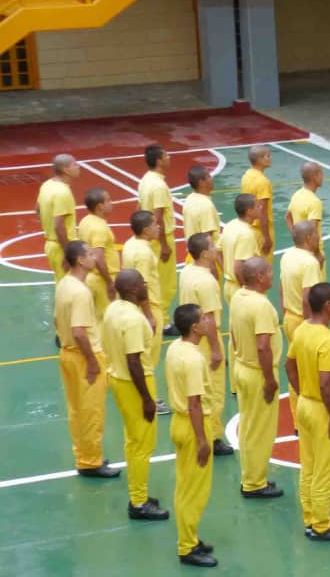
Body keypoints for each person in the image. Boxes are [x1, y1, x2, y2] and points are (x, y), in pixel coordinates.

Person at [286, 283, 330, 541]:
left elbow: (289, 365)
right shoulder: (329, 341)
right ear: (327, 305)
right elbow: (326, 383)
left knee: (309, 465)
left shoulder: (302, 330)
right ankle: (322, 525)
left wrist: (302, 391)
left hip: (304, 405)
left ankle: (311, 517)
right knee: (326, 468)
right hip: (323, 409)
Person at [102, 269, 168, 520]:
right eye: (142, 282)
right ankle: (139, 503)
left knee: (132, 441)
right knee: (143, 445)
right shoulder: (132, 320)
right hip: (134, 384)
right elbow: (134, 362)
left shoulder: (113, 309)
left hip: (117, 379)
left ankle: (137, 493)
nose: (145, 285)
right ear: (132, 290)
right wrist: (148, 399)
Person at [55, 241, 115, 478]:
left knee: (77, 410)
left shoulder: (64, 284)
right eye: (90, 254)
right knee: (91, 411)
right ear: (80, 260)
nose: (95, 257)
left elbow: (58, 322)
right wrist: (91, 361)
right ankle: (91, 461)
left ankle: (85, 454)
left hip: (68, 354)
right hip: (83, 355)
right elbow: (80, 331)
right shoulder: (80, 292)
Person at [165, 303, 218, 568]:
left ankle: (191, 538)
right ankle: (187, 547)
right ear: (195, 327)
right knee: (194, 490)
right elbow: (195, 403)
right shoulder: (195, 360)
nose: (210, 321)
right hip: (193, 425)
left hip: (178, 422)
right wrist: (202, 441)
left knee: (185, 485)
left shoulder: (175, 348)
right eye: (204, 318)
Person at [230, 257, 284, 500]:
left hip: (242, 366)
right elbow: (263, 346)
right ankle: (254, 483)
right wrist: (270, 379)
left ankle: (251, 475)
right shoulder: (261, 306)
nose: (272, 276)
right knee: (259, 430)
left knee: (249, 426)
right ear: (260, 277)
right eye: (269, 272)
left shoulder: (238, 297)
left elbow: (232, 333)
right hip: (258, 372)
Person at [178, 232, 233, 456]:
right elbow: (208, 318)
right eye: (212, 246)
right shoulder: (207, 281)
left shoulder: (187, 271)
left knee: (198, 386)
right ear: (204, 253)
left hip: (191, 336)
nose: (216, 248)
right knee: (213, 389)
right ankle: (212, 435)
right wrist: (217, 350)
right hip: (206, 338)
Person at [122, 210, 169, 416]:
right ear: (146, 229)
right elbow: (142, 285)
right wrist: (149, 314)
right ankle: (149, 397)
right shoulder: (143, 253)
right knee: (149, 356)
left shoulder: (131, 244)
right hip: (148, 306)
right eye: (155, 224)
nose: (159, 227)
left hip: (135, 307)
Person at [280, 220, 323, 424]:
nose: (319, 237)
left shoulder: (288, 256)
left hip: (290, 317)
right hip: (303, 321)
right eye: (316, 234)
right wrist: (311, 326)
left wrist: (285, 310)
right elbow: (308, 297)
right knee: (311, 372)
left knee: (296, 368)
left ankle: (298, 419)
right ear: (308, 238)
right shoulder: (309, 263)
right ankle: (312, 417)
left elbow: (281, 287)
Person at [137, 145, 177, 324]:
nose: (169, 158)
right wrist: (164, 244)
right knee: (165, 283)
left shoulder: (145, 179)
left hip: (148, 236)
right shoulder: (159, 186)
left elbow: (138, 207)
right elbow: (158, 218)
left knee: (152, 278)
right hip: (161, 237)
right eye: (166, 155)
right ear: (159, 161)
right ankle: (164, 320)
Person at [37, 154, 79, 281]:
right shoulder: (63, 192)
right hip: (62, 247)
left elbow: (38, 209)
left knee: (62, 283)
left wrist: (47, 226)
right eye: (75, 165)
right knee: (68, 286)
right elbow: (58, 226)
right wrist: (68, 254)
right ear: (66, 170)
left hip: (52, 245)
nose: (78, 167)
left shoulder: (47, 185)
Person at [77, 189, 118, 322]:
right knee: (106, 318)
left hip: (92, 277)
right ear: (100, 206)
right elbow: (98, 258)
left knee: (95, 318)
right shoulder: (99, 228)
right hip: (101, 279)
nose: (111, 203)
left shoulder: (85, 221)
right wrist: (109, 282)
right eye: (108, 200)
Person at [220, 194, 262, 305]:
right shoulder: (246, 234)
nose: (261, 207)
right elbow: (238, 267)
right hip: (239, 288)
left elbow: (217, 251)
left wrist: (226, 270)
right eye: (257, 206)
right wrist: (247, 291)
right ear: (249, 211)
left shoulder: (230, 225)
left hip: (229, 286)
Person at [182, 166, 223, 276]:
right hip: (205, 261)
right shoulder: (206, 206)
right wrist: (213, 266)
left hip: (192, 258)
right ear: (201, 182)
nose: (212, 178)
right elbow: (207, 238)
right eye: (208, 176)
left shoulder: (190, 199)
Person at [240, 145, 274, 256]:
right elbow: (262, 211)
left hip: (248, 227)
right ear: (259, 160)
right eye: (267, 156)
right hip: (260, 231)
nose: (270, 158)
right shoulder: (263, 182)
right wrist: (267, 237)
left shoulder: (246, 176)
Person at [285, 161, 325, 235]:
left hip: (300, 244)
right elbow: (312, 232)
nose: (322, 177)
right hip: (311, 246)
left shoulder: (296, 195)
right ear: (314, 177)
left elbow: (287, 218)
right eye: (321, 174)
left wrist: (296, 237)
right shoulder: (315, 202)